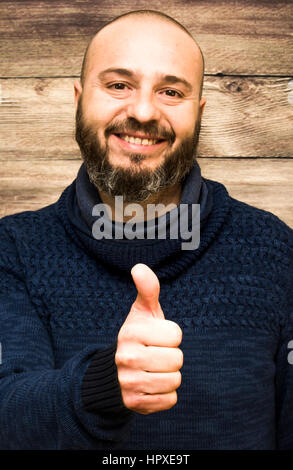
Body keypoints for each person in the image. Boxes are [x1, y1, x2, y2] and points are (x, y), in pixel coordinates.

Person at [0, 9, 292, 451]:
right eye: (118, 85)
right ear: (80, 98)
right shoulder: (13, 249)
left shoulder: (274, 249)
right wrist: (101, 387)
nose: (141, 111)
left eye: (171, 91)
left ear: (199, 112)